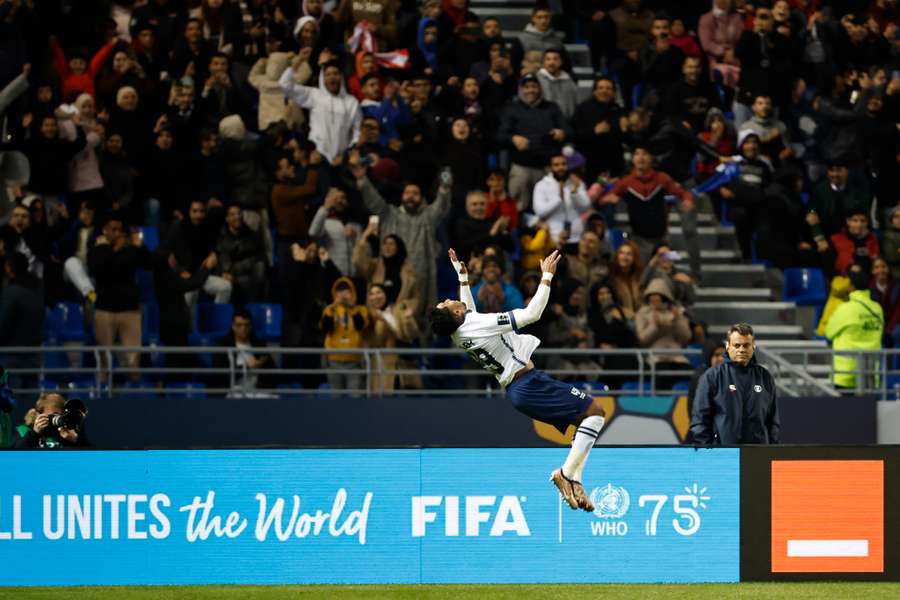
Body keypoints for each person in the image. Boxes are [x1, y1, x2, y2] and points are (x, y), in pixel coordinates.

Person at [430, 248, 606, 512]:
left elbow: (470, 314)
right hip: (528, 384)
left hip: (521, 389)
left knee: (586, 420)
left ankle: (575, 479)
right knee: (595, 413)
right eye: (445, 303)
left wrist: (463, 279)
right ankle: (566, 474)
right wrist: (546, 277)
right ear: (454, 314)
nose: (447, 299)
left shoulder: (460, 332)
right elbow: (531, 314)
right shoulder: (475, 324)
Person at [690, 323, 780, 445]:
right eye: (737, 345)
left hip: (758, 454)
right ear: (728, 346)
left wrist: (771, 448)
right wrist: (709, 451)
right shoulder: (712, 376)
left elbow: (773, 421)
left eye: (746, 345)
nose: (741, 349)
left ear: (753, 346)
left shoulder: (765, 377)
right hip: (722, 455)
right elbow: (700, 420)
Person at [497, 73, 569, 211]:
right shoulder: (511, 108)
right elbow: (500, 135)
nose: (530, 90)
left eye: (534, 87)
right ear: (521, 89)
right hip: (521, 166)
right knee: (517, 208)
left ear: (540, 88)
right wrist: (512, 138)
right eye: (527, 87)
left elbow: (569, 130)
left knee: (549, 207)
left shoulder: (552, 107)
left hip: (547, 167)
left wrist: (562, 133)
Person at [279, 56, 361, 165]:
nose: (332, 77)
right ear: (323, 78)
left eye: (335, 73)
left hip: (342, 160)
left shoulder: (352, 102)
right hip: (317, 158)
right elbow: (284, 84)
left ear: (341, 77)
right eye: (328, 74)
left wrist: (346, 156)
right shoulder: (314, 95)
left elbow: (357, 131)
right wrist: (299, 60)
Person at [825, 265, 884, 391]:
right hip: (870, 373)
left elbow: (829, 332)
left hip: (846, 374)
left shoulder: (845, 308)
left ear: (851, 286)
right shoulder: (877, 308)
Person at [321, 277, 370, 393]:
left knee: (355, 397)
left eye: (347, 291)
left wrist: (352, 308)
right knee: (336, 398)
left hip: (354, 362)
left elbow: (360, 326)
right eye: (339, 291)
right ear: (334, 293)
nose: (343, 295)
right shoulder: (329, 309)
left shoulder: (361, 310)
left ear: (352, 293)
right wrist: (333, 308)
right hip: (334, 361)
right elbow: (325, 328)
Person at [215, 309, 276, 398]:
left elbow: (272, 371)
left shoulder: (259, 345)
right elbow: (221, 377)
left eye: (246, 325)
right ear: (233, 326)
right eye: (239, 325)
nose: (243, 329)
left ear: (251, 326)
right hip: (233, 391)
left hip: (256, 391)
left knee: (274, 399)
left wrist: (261, 367)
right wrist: (247, 367)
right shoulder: (223, 346)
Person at [532, 153, 591, 245]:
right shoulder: (542, 185)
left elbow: (585, 207)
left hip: (577, 239)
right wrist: (559, 198)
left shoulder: (576, 182)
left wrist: (574, 193)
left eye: (564, 164)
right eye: (556, 165)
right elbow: (540, 211)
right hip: (553, 240)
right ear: (551, 168)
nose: (561, 168)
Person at [13, 392, 88, 449]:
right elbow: (13, 456)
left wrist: (76, 441)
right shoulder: (23, 430)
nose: (55, 419)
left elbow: (90, 458)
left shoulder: (67, 432)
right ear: (39, 414)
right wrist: (35, 433)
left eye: (58, 416)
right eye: (51, 416)